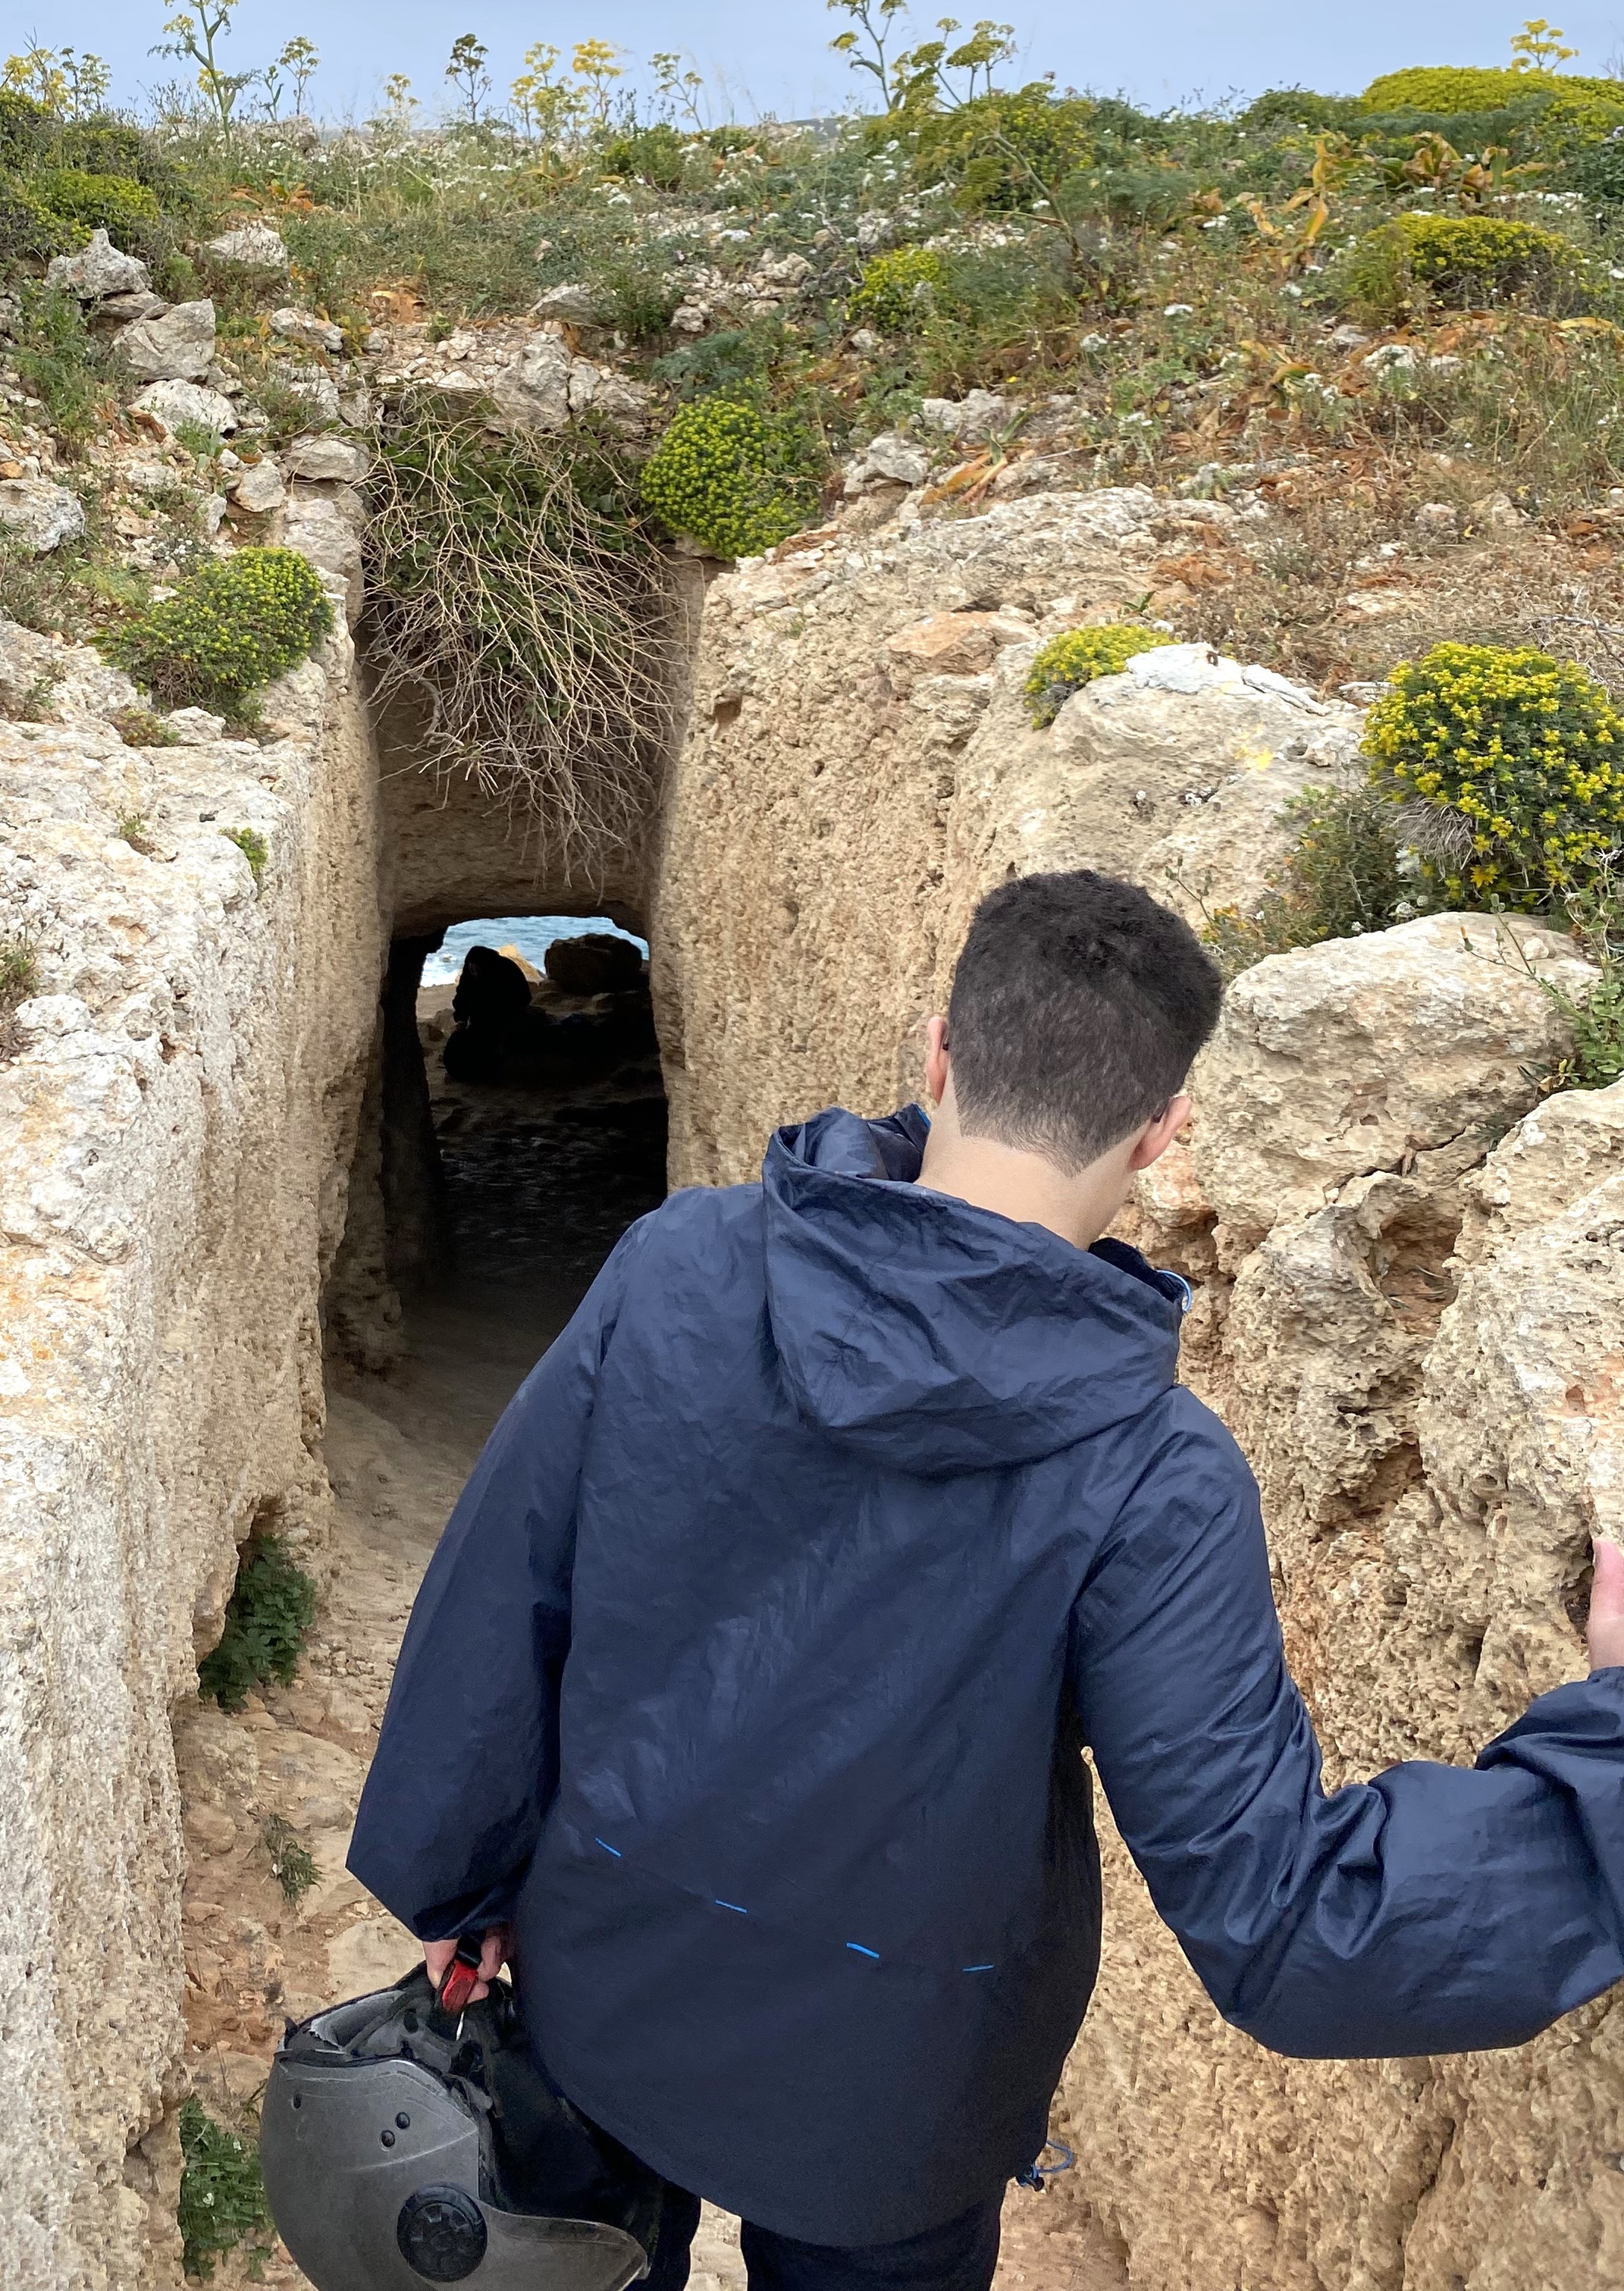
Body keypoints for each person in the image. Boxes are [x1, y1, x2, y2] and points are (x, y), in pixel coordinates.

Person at [345, 870, 1624, 2291]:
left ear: (939, 1049)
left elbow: (503, 1597)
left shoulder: (680, 1267)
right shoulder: (1156, 1474)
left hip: (604, 1989)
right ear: (1161, 1133)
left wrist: (458, 1888)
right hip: (894, 2108)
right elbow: (1288, 1920)